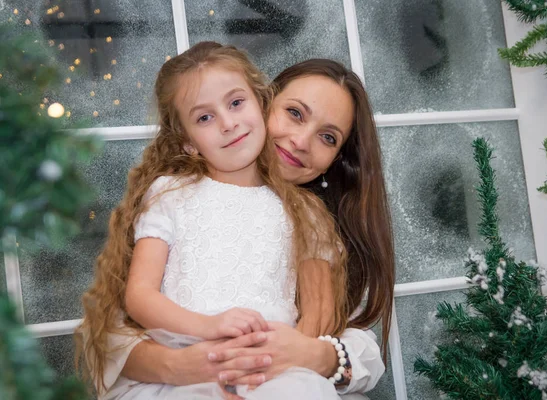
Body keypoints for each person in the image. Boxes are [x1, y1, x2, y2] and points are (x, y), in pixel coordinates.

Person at [77, 57, 395, 400]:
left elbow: (320, 320)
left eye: (328, 137)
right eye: (295, 113)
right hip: (184, 371)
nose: (302, 141)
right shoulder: (172, 195)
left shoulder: (308, 216)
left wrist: (279, 362)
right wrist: (194, 356)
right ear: (263, 103)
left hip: (272, 374)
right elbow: (127, 312)